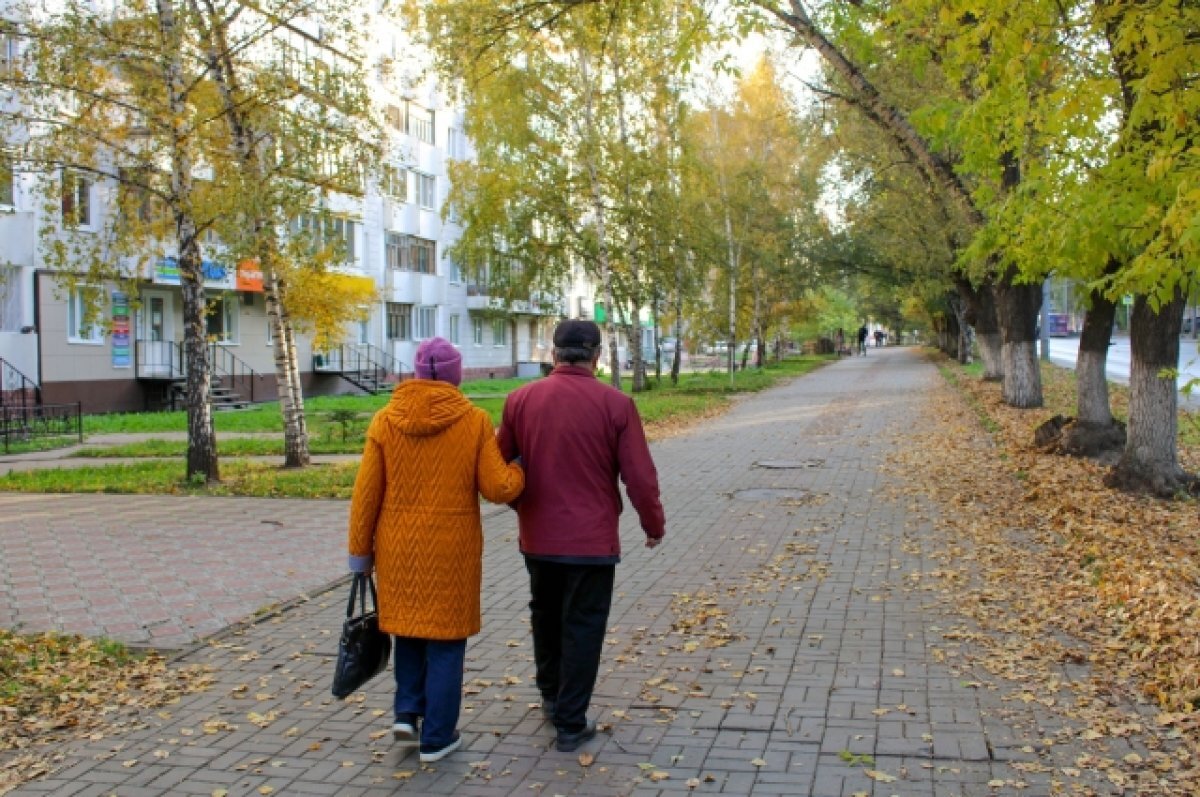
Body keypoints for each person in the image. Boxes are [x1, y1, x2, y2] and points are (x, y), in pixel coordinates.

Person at [347, 337, 524, 764]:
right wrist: (519, 469)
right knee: (445, 641)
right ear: (455, 376)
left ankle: (406, 716)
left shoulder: (385, 420)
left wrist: (360, 555)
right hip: (451, 551)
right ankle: (438, 737)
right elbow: (497, 488)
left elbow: (366, 495)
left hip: (398, 549)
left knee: (408, 632)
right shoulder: (473, 421)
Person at [498, 320, 665, 753]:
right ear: (596, 357)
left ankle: (552, 696)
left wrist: (522, 507)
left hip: (538, 537)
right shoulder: (617, 404)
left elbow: (501, 469)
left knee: (545, 616)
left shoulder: (519, 400)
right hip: (592, 541)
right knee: (583, 625)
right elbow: (639, 476)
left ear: (554, 354)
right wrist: (653, 524)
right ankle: (570, 723)